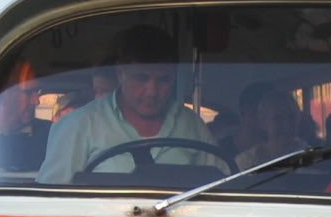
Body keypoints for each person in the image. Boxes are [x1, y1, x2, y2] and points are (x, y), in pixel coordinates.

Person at [37, 26, 224, 185]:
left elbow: (223, 186)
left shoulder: (193, 126)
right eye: (141, 78)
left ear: (174, 77)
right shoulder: (77, 125)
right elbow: (50, 201)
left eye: (163, 80)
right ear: (121, 74)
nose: (152, 91)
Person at [0, 59, 51, 174]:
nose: (37, 101)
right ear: (6, 93)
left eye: (37, 92)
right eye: (29, 93)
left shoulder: (50, 135)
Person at [235, 90, 306, 169]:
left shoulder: (311, 158)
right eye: (278, 118)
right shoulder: (244, 162)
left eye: (291, 117)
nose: (287, 125)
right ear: (262, 122)